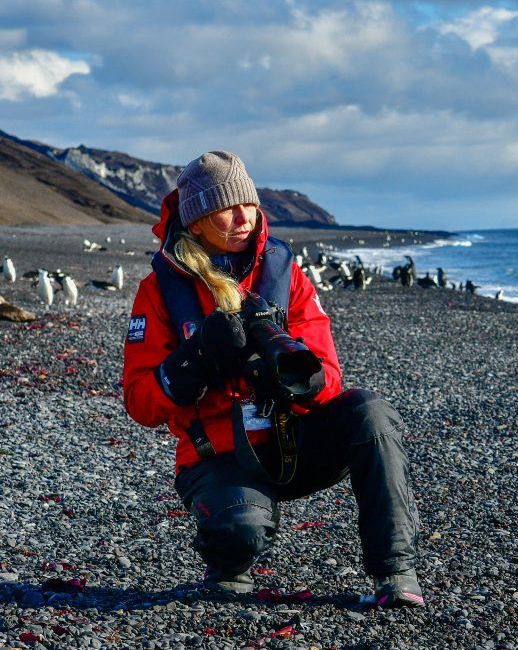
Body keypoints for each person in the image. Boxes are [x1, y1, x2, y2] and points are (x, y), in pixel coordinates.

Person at [122, 151, 423, 606]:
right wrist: (196, 357)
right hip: (218, 454)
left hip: (291, 440)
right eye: (226, 207)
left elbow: (331, 378)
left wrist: (286, 377)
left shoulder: (285, 274)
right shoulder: (162, 290)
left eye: (249, 204)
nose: (243, 217)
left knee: (371, 413)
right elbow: (140, 403)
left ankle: (396, 572)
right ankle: (227, 558)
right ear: (197, 222)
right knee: (238, 532)